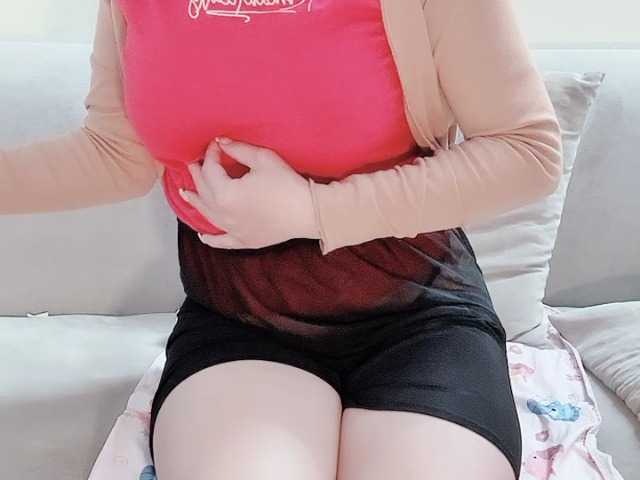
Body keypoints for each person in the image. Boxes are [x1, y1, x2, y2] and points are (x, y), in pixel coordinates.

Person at [1, 0, 563, 479]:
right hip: (241, 322)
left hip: (418, 318)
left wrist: (313, 211)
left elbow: (526, 151)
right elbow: (116, 154)